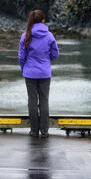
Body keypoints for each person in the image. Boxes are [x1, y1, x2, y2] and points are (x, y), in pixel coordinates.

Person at [18, 9, 59, 138]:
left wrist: (23, 68)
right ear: (43, 20)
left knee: (32, 100)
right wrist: (47, 60)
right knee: (44, 101)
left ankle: (34, 130)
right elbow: (56, 53)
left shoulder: (26, 35)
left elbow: (21, 56)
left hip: (30, 72)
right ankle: (45, 130)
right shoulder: (49, 35)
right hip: (45, 72)